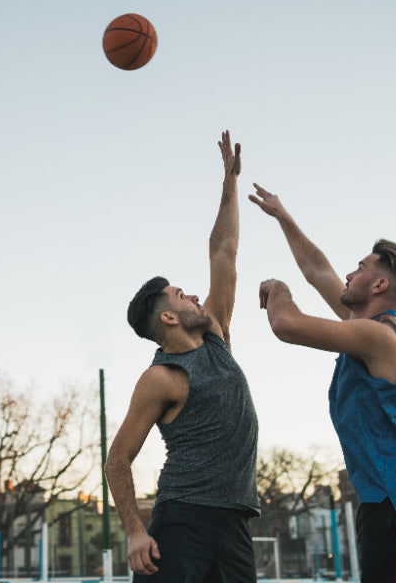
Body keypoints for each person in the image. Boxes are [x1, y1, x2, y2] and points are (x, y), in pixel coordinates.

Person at [250, 183, 396, 583]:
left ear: (379, 286)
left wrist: (279, 289)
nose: (347, 273)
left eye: (359, 268)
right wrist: (283, 217)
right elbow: (318, 270)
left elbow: (285, 324)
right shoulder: (363, 329)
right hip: (386, 504)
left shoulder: (379, 336)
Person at [105, 131, 260, 583]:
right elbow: (117, 459)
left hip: (234, 522)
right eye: (180, 294)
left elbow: (224, 252)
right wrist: (136, 531)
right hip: (182, 522)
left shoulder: (216, 339)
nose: (194, 295)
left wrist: (229, 184)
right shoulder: (162, 378)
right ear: (169, 316)